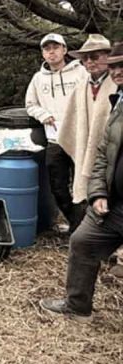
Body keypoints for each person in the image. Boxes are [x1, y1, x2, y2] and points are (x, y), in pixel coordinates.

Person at [39, 44, 123, 322]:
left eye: (121, 65)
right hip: (114, 201)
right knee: (82, 241)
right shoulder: (117, 102)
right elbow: (102, 151)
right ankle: (77, 306)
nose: (117, 71)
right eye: (114, 66)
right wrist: (98, 191)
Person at [26, 33, 88, 232]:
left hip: (79, 139)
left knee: (83, 187)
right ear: (43, 53)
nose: (51, 52)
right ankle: (76, 223)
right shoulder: (38, 79)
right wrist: (43, 114)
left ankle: (83, 230)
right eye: (47, 49)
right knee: (58, 188)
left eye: (55, 47)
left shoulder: (80, 73)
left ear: (64, 50)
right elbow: (30, 104)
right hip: (54, 140)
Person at [57, 34, 114, 233]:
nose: (90, 62)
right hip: (87, 149)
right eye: (86, 58)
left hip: (113, 153)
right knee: (90, 194)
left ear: (109, 57)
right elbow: (71, 123)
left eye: (96, 57)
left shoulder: (117, 84)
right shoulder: (81, 87)